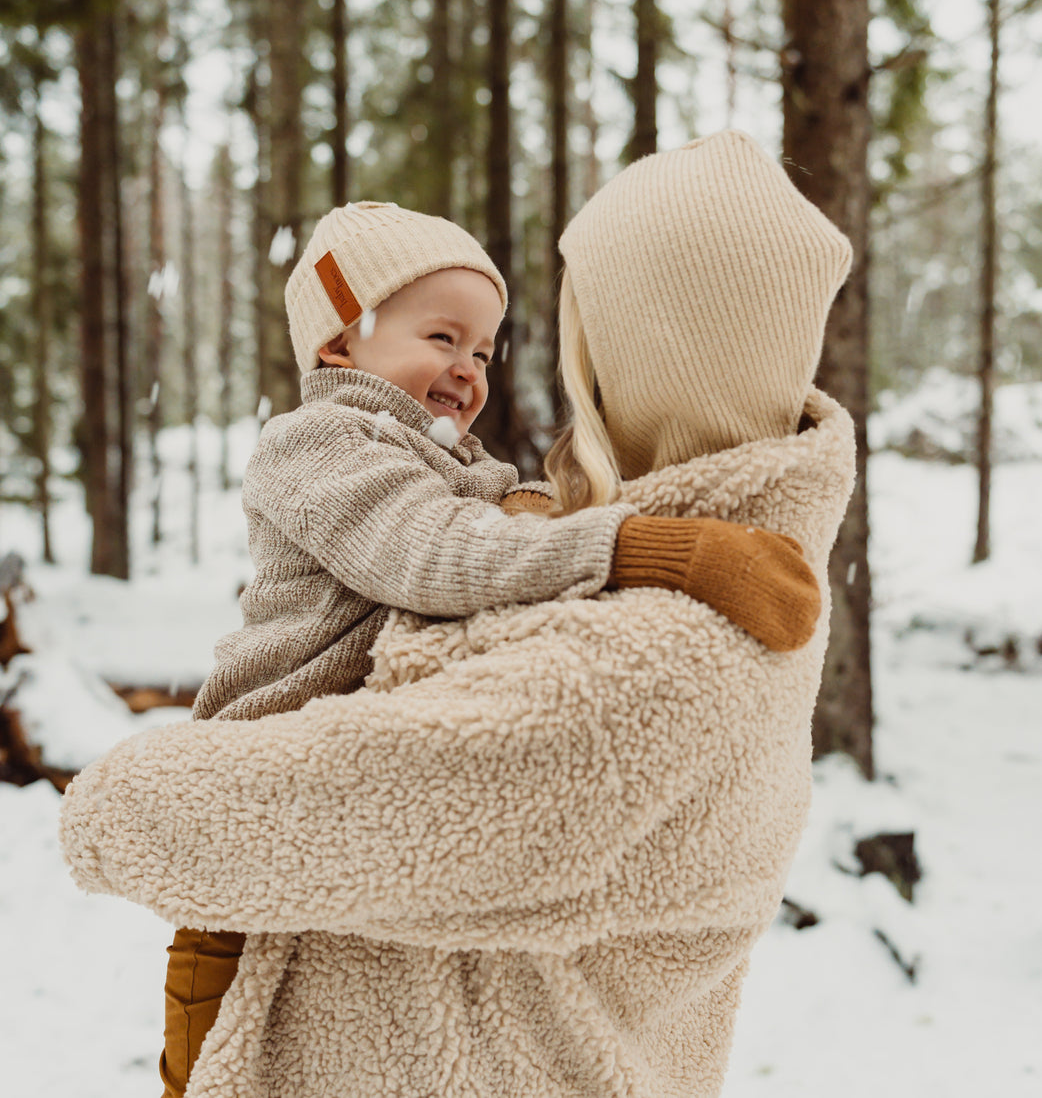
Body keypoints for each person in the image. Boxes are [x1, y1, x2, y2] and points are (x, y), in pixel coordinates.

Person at [61, 131, 856, 1098]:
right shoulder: (322, 445)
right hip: (237, 914)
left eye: (487, 347)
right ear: (338, 340)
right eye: (441, 338)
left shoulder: (640, 663)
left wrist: (115, 796)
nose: (472, 370)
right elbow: (438, 552)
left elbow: (173, 815)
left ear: (638, 350)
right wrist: (620, 539)